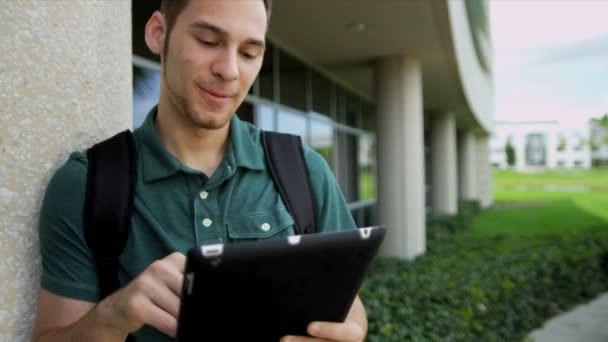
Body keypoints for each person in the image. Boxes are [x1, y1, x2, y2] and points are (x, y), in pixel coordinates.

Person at [32, 0, 368, 341]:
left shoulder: (304, 170)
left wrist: (346, 333)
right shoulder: (85, 184)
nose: (230, 70)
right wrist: (113, 316)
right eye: (208, 41)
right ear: (158, 33)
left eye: (249, 53)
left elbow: (350, 306)